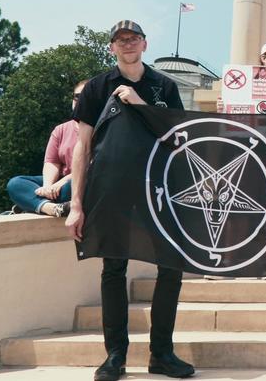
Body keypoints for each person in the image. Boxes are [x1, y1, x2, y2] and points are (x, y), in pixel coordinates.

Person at [65, 20, 194, 381]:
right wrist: (76, 203)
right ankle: (115, 357)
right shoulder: (96, 87)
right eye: (121, 40)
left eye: (133, 38)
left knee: (171, 267)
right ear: (112, 47)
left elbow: (176, 136)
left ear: (145, 44)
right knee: (113, 270)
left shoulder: (163, 85)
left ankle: (162, 353)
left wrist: (140, 104)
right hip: (111, 189)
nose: (128, 44)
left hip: (159, 189)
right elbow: (82, 146)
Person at [7, 80, 86, 217]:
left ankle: (33, 204)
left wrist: (60, 183)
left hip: (78, 181)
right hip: (58, 183)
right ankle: (50, 207)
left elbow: (92, 166)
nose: (79, 100)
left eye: (85, 96)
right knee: (16, 183)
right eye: (76, 96)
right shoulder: (61, 130)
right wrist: (47, 186)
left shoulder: (104, 129)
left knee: (76, 186)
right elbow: (52, 162)